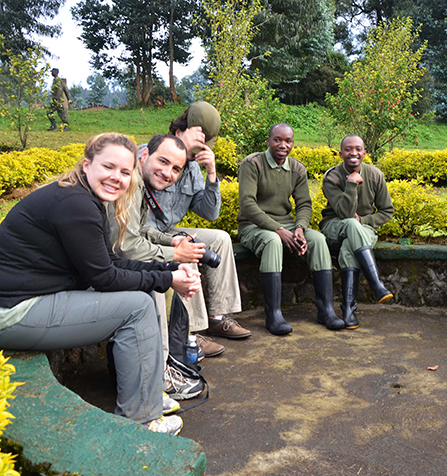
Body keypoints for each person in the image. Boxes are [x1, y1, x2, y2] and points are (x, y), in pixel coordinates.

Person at [0, 133, 202, 435]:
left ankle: (149, 395)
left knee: (142, 291)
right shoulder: (76, 204)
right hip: (14, 310)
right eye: (108, 167)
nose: (116, 178)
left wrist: (170, 267)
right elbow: (104, 278)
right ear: (87, 164)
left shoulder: (83, 196)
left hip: (35, 295)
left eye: (124, 171)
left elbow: (108, 262)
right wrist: (168, 279)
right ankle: (142, 418)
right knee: (137, 307)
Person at [109, 134, 209, 400]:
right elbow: (126, 247)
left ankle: (179, 347)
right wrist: (174, 253)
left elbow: (140, 229)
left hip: (102, 263)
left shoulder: (139, 184)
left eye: (176, 168)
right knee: (158, 275)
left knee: (174, 263)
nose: (168, 173)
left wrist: (171, 240)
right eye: (162, 162)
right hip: (86, 272)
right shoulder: (129, 183)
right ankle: (159, 372)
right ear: (144, 156)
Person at [143, 102, 251, 348]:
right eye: (196, 145)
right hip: (145, 235)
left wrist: (212, 173)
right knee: (188, 250)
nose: (197, 152)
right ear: (180, 132)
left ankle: (217, 317)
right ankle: (190, 332)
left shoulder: (191, 168)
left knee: (221, 238)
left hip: (167, 232)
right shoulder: (153, 153)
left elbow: (209, 213)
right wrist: (180, 145)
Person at [238, 123, 345, 334]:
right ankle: (274, 315)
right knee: (272, 241)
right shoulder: (251, 164)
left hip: (287, 225)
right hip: (254, 225)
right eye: (277, 139)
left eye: (288, 141)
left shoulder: (297, 168)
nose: (283, 145)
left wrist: (299, 229)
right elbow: (248, 205)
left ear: (293, 143)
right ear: (268, 141)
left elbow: (304, 204)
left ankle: (326, 310)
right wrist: (278, 229)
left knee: (318, 240)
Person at [319, 135, 395, 329]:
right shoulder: (332, 177)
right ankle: (376, 284)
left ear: (364, 153)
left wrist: (364, 220)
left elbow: (387, 210)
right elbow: (344, 214)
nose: (353, 153)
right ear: (341, 153)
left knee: (348, 247)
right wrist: (351, 183)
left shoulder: (375, 175)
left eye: (358, 149)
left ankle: (348, 309)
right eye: (348, 149)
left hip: (365, 228)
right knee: (352, 226)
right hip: (334, 225)